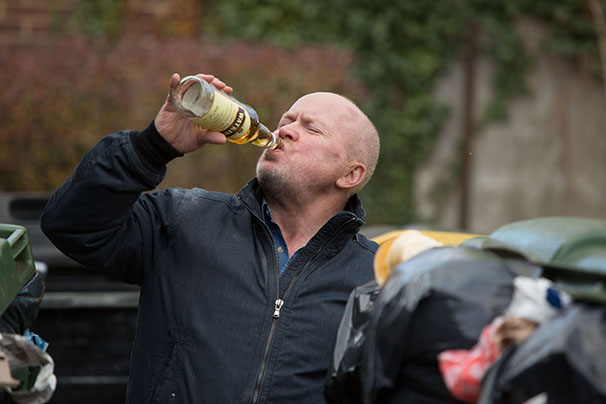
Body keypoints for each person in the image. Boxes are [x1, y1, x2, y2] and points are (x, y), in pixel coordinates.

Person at [41, 73, 381, 403]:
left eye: (311, 128)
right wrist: (152, 146)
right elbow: (72, 225)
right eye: (287, 120)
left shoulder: (375, 279)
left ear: (350, 174)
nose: (285, 130)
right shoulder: (183, 219)